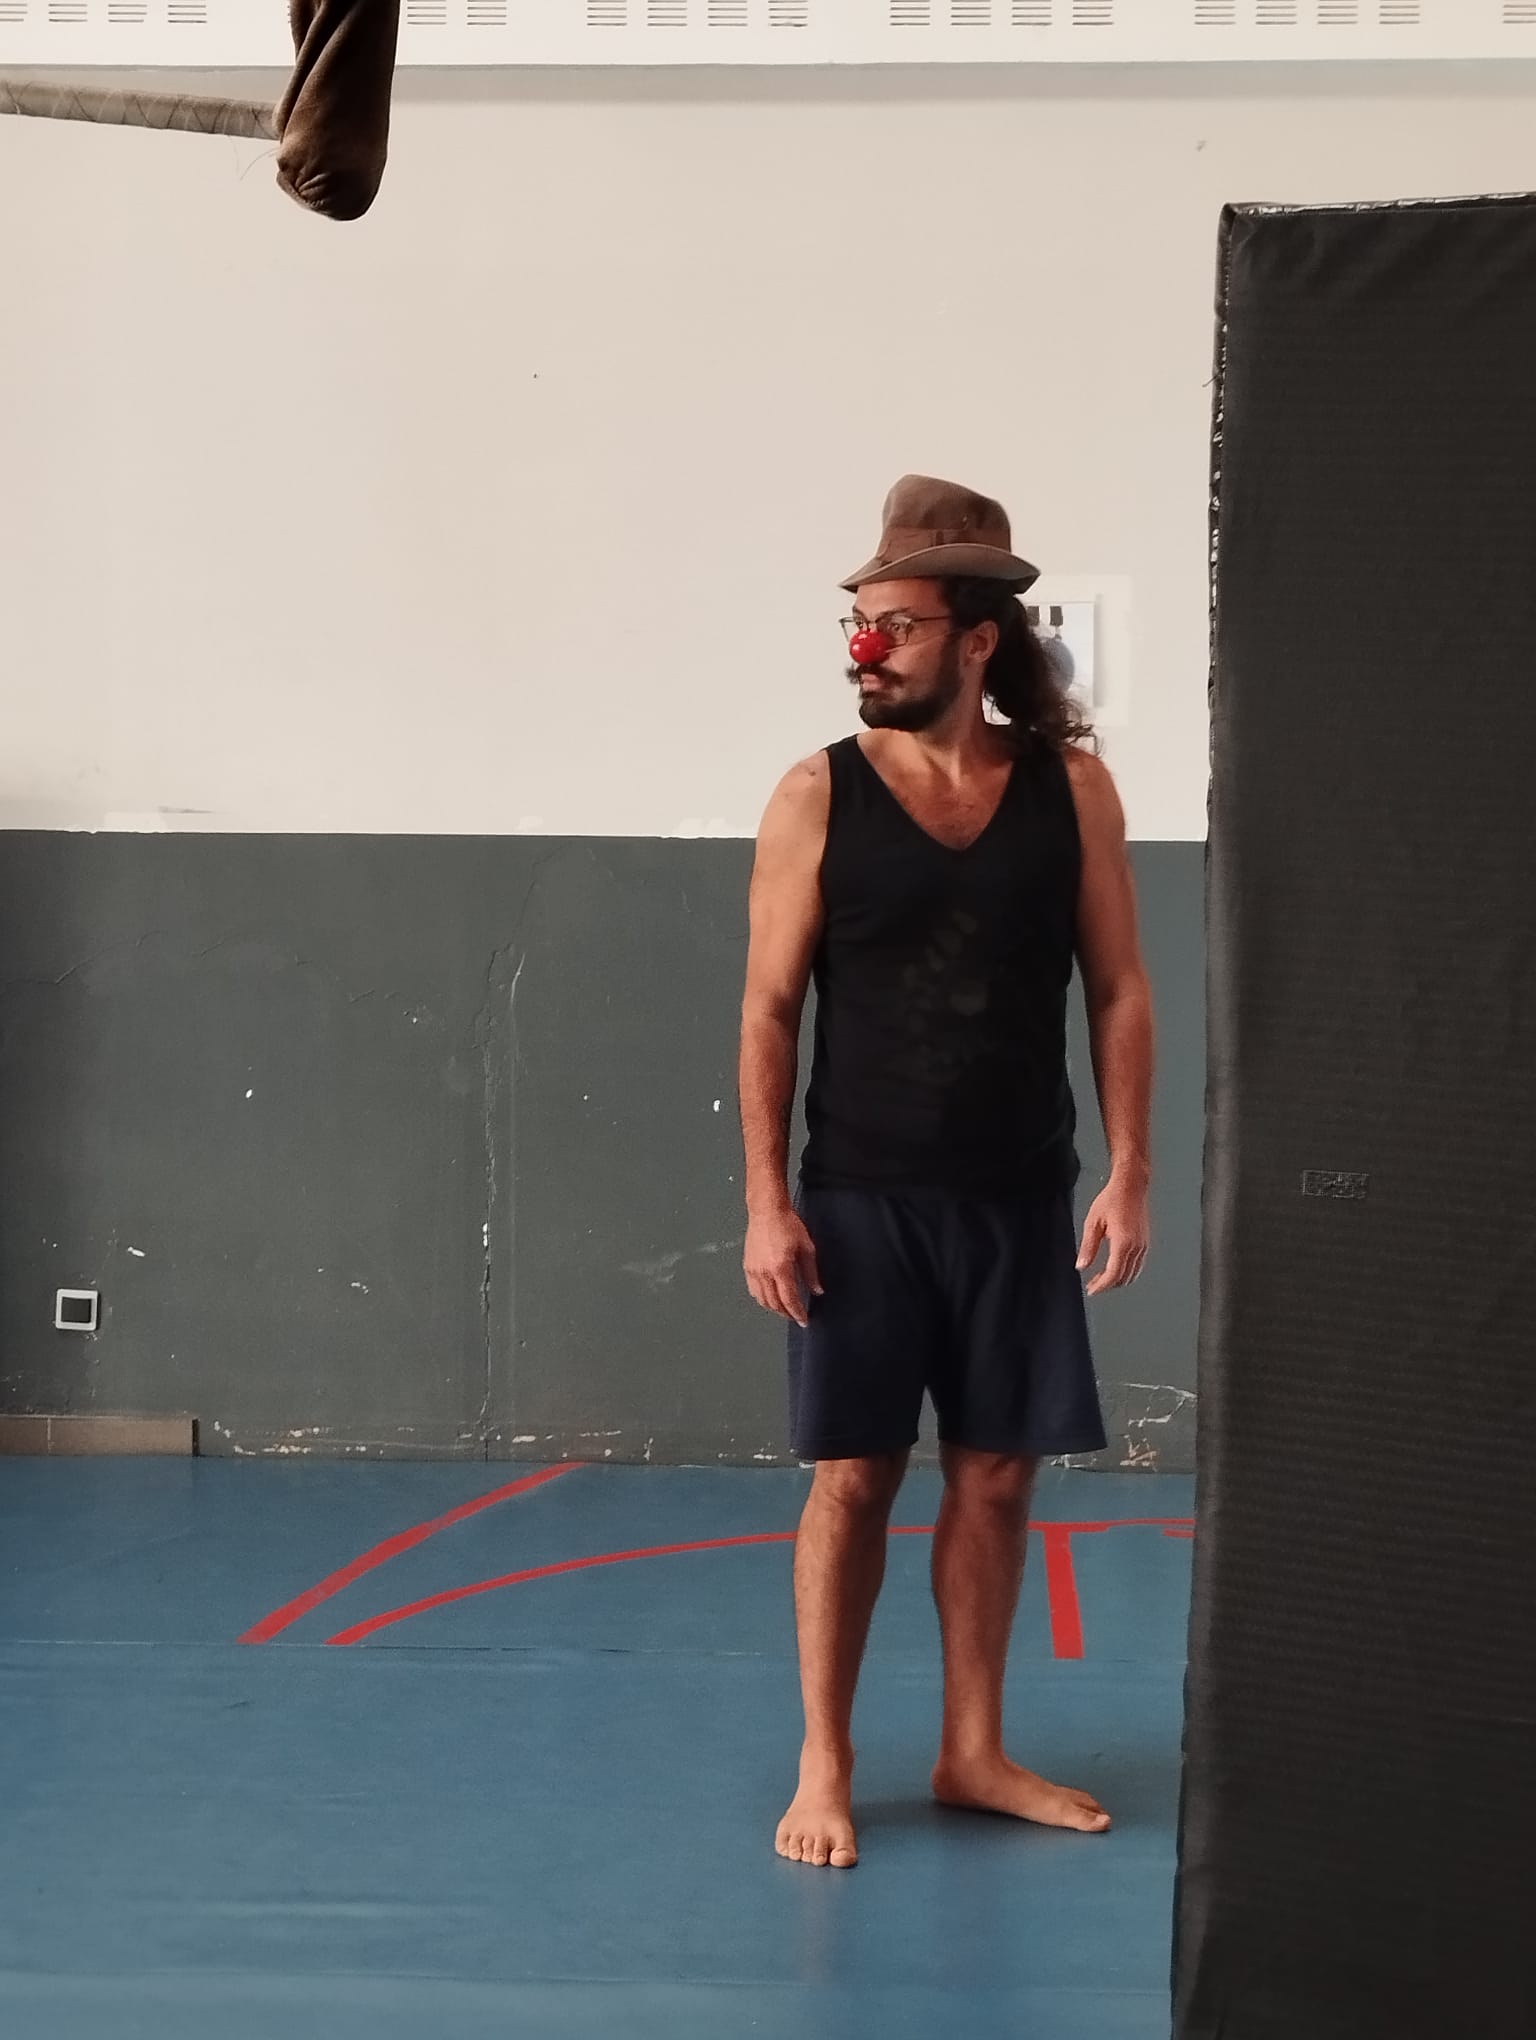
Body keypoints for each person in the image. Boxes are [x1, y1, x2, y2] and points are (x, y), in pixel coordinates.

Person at [738, 475, 1154, 1871]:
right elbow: (768, 1010)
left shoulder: (1071, 791)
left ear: (979, 639)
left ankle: (972, 1750)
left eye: (897, 625)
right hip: (858, 1201)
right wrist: (767, 1202)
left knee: (996, 1480)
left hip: (1019, 1198)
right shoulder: (816, 795)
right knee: (854, 1478)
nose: (867, 650)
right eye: (857, 625)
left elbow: (1121, 989)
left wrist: (1129, 1169)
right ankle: (827, 1760)